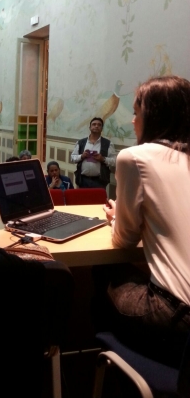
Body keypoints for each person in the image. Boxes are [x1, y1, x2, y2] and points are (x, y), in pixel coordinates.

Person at [98, 76, 190, 364]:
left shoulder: (135, 158)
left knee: (102, 275)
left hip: (175, 317)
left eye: (136, 114)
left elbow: (124, 239)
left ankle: (98, 367)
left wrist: (116, 217)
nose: (132, 122)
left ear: (153, 118)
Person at [71, 117, 116, 188]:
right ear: (90, 127)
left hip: (100, 181)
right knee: (82, 199)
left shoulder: (108, 144)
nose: (96, 126)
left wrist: (103, 159)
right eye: (94, 124)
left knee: (98, 199)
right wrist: (81, 156)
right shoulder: (81, 143)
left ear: (102, 128)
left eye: (99, 125)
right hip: (82, 180)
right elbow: (73, 158)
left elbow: (114, 161)